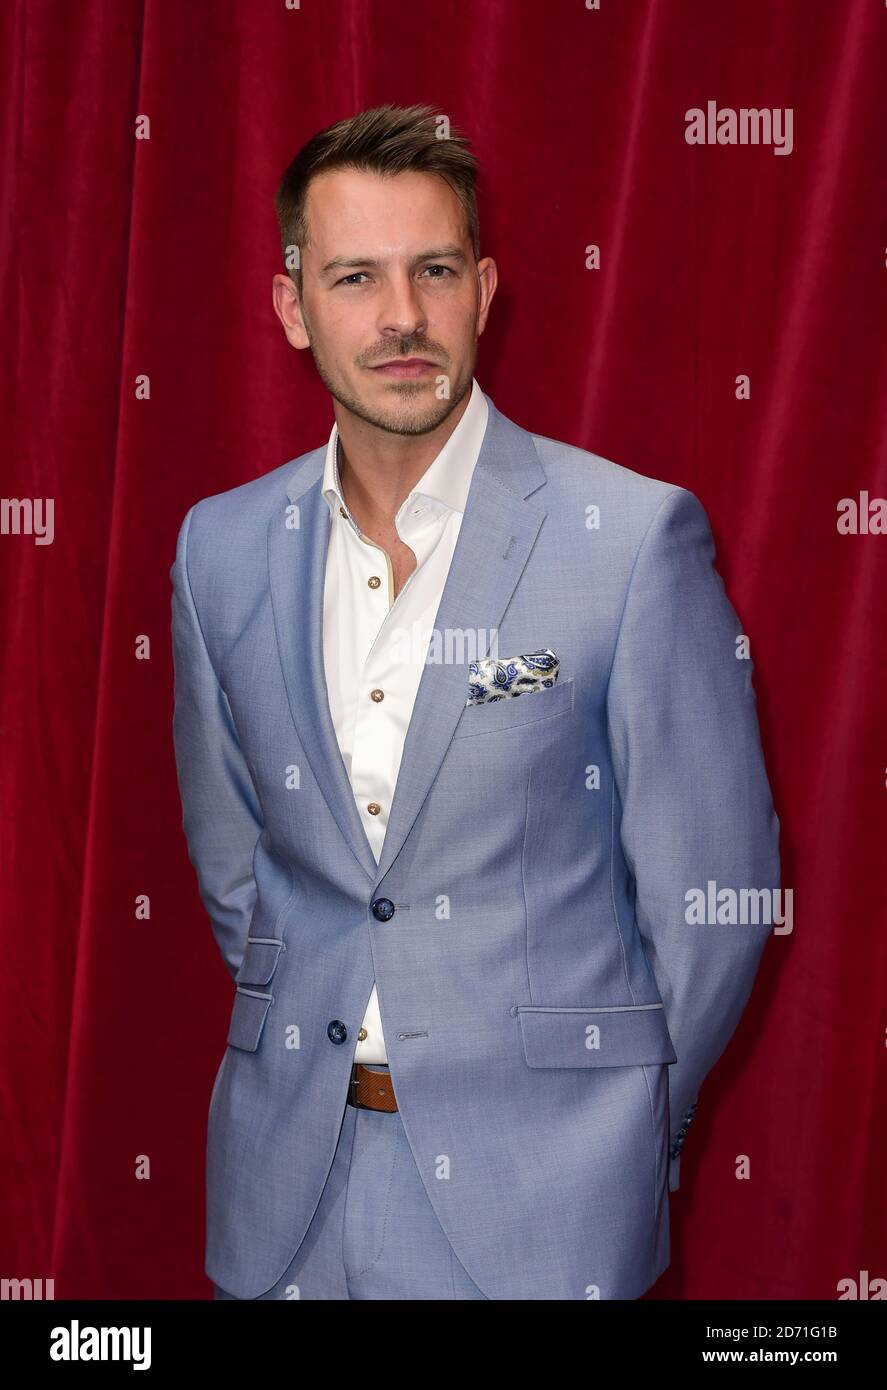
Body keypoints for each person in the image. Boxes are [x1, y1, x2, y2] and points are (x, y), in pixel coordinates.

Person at [170, 103, 780, 1301]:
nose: (400, 315)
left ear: (483, 289)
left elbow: (711, 904)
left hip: (541, 1214)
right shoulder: (219, 548)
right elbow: (240, 871)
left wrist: (615, 1129)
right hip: (283, 1193)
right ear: (293, 307)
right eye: (354, 276)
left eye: (433, 270)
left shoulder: (627, 540)